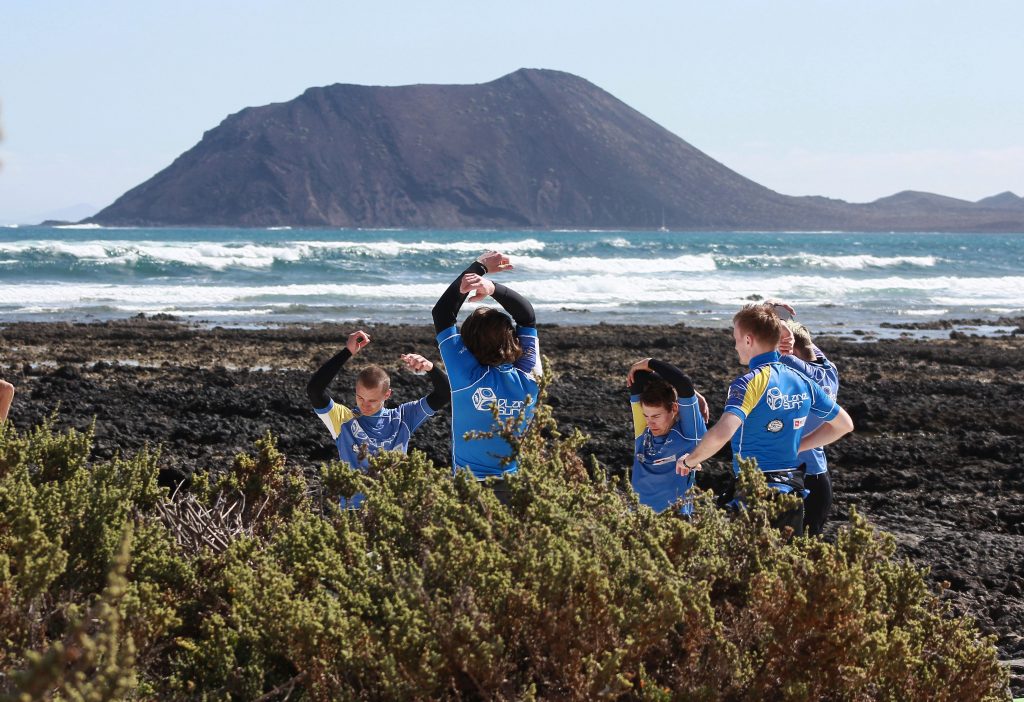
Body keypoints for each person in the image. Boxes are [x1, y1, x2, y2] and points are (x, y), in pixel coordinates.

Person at [675, 304, 854, 536]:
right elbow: (844, 425)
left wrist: (690, 461)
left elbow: (722, 432)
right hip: (793, 492)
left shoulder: (750, 382)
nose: (735, 345)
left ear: (748, 340)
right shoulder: (801, 380)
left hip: (757, 492)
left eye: (736, 338)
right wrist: (797, 445)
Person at [432, 251, 540, 504]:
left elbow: (442, 314)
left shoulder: (465, 375)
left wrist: (478, 268)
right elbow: (527, 317)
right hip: (516, 486)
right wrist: (492, 288)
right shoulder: (530, 377)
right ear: (513, 339)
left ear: (467, 344)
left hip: (471, 489)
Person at [306, 329, 450, 507]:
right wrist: (347, 352)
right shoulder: (343, 419)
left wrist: (430, 368)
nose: (364, 405)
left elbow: (444, 394)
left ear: (387, 395)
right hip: (353, 511)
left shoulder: (402, 418)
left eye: (372, 400)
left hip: (392, 510)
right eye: (360, 398)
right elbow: (314, 390)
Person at [771, 302, 841, 536]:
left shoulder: (792, 366)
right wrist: (787, 327)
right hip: (820, 478)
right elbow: (806, 343)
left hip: (802, 481)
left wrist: (769, 313)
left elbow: (762, 345)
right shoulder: (829, 369)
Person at [626, 358, 708, 513]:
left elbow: (683, 382)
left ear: (675, 408)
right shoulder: (643, 430)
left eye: (656, 416)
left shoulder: (690, 433)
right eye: (646, 416)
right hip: (636, 519)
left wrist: (649, 362)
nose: (650, 423)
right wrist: (694, 394)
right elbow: (639, 377)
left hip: (674, 522)